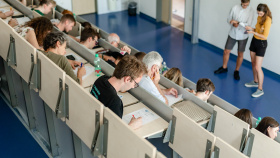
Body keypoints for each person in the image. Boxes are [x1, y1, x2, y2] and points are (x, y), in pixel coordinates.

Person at [90, 55, 147, 129]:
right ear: (127, 79)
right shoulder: (115, 102)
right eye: (135, 83)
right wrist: (132, 126)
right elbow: (115, 133)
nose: (133, 86)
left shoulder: (101, 79)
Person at [214, 0, 254, 80]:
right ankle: (224, 67)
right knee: (226, 51)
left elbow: (248, 24)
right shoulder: (235, 7)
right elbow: (229, 18)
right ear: (241, 1)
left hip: (243, 35)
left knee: (240, 54)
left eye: (247, 4)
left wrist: (238, 23)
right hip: (232, 33)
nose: (245, 6)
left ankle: (236, 71)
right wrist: (232, 22)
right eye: (243, 4)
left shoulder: (251, 11)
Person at [244, 4, 272, 97]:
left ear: (264, 12)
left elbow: (264, 36)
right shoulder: (259, 17)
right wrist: (251, 28)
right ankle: (255, 81)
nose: (258, 15)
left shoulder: (268, 20)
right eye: (258, 13)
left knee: (257, 67)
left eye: (260, 13)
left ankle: (260, 89)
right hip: (254, 41)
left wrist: (252, 32)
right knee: (253, 62)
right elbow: (258, 29)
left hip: (261, 43)